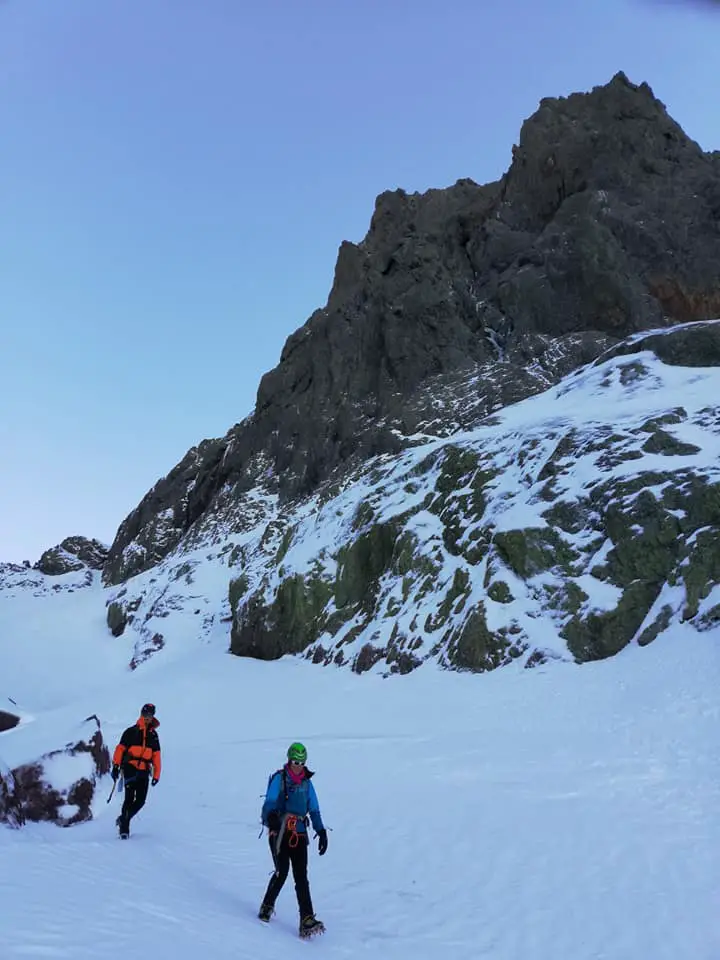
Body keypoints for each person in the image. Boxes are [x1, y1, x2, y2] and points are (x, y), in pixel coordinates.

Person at [258, 742, 328, 938]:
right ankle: (267, 906)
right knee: (282, 871)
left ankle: (306, 919)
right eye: (295, 761)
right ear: (289, 760)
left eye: (301, 762)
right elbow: (270, 802)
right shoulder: (279, 779)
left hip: (299, 834)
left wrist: (321, 830)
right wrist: (271, 817)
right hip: (279, 832)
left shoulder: (307, 783)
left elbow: (313, 808)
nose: (298, 765)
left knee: (301, 876)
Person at [111, 702, 161, 839]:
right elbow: (120, 749)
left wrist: (156, 775)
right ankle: (124, 830)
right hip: (130, 768)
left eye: (150, 715)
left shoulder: (153, 736)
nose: (147, 717)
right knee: (128, 799)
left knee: (140, 801)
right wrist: (115, 766)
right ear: (141, 714)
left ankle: (123, 819)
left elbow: (156, 756)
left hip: (144, 770)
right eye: (145, 714)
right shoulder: (130, 732)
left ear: (153, 717)